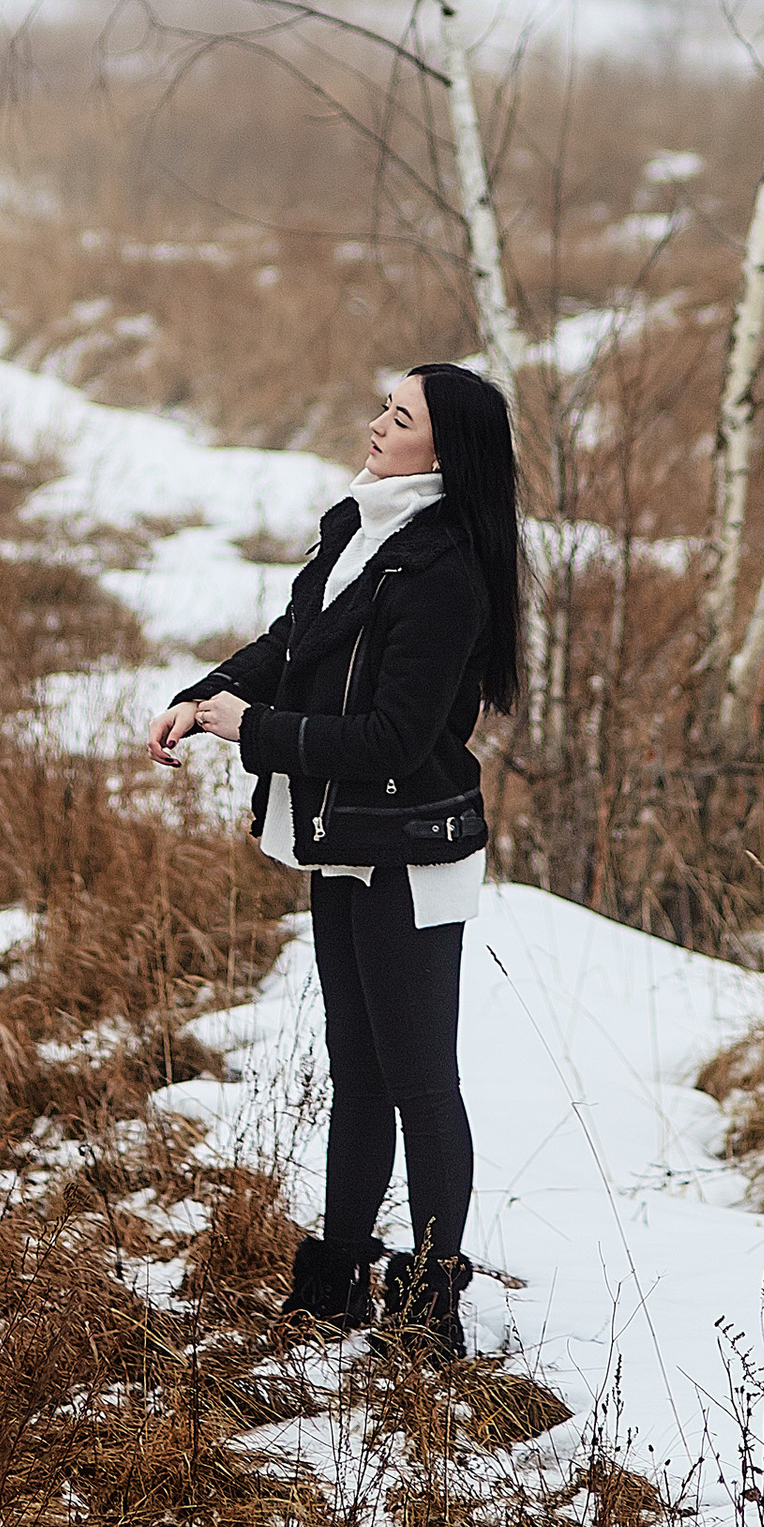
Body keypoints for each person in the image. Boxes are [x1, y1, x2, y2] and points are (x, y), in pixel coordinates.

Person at [152, 361, 521, 1363]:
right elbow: (290, 644)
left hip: (411, 853)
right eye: (383, 409)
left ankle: (429, 1309)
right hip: (344, 840)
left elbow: (395, 739)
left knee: (420, 1083)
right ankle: (336, 1286)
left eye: (400, 417)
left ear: (444, 450)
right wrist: (204, 697)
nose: (376, 426)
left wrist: (253, 729)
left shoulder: (444, 571)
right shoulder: (360, 530)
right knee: (358, 1073)